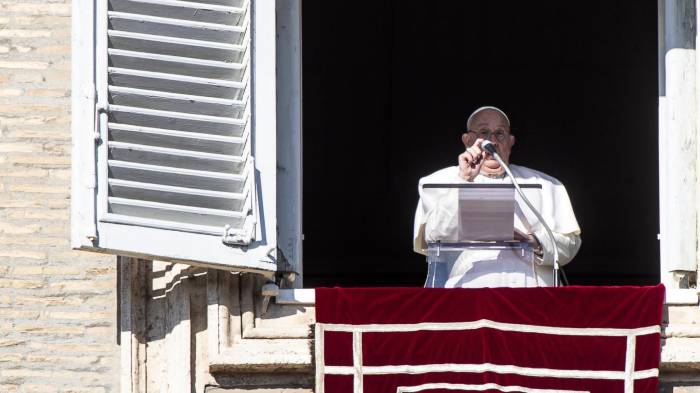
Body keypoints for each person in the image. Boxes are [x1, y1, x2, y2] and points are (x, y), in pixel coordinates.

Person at [413, 106, 581, 287]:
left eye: (500, 133)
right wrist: (464, 181)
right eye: (483, 132)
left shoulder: (546, 185)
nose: (492, 140)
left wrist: (537, 243)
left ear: (510, 141)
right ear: (467, 140)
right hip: (470, 294)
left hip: (533, 296)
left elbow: (570, 245)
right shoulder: (439, 181)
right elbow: (433, 236)